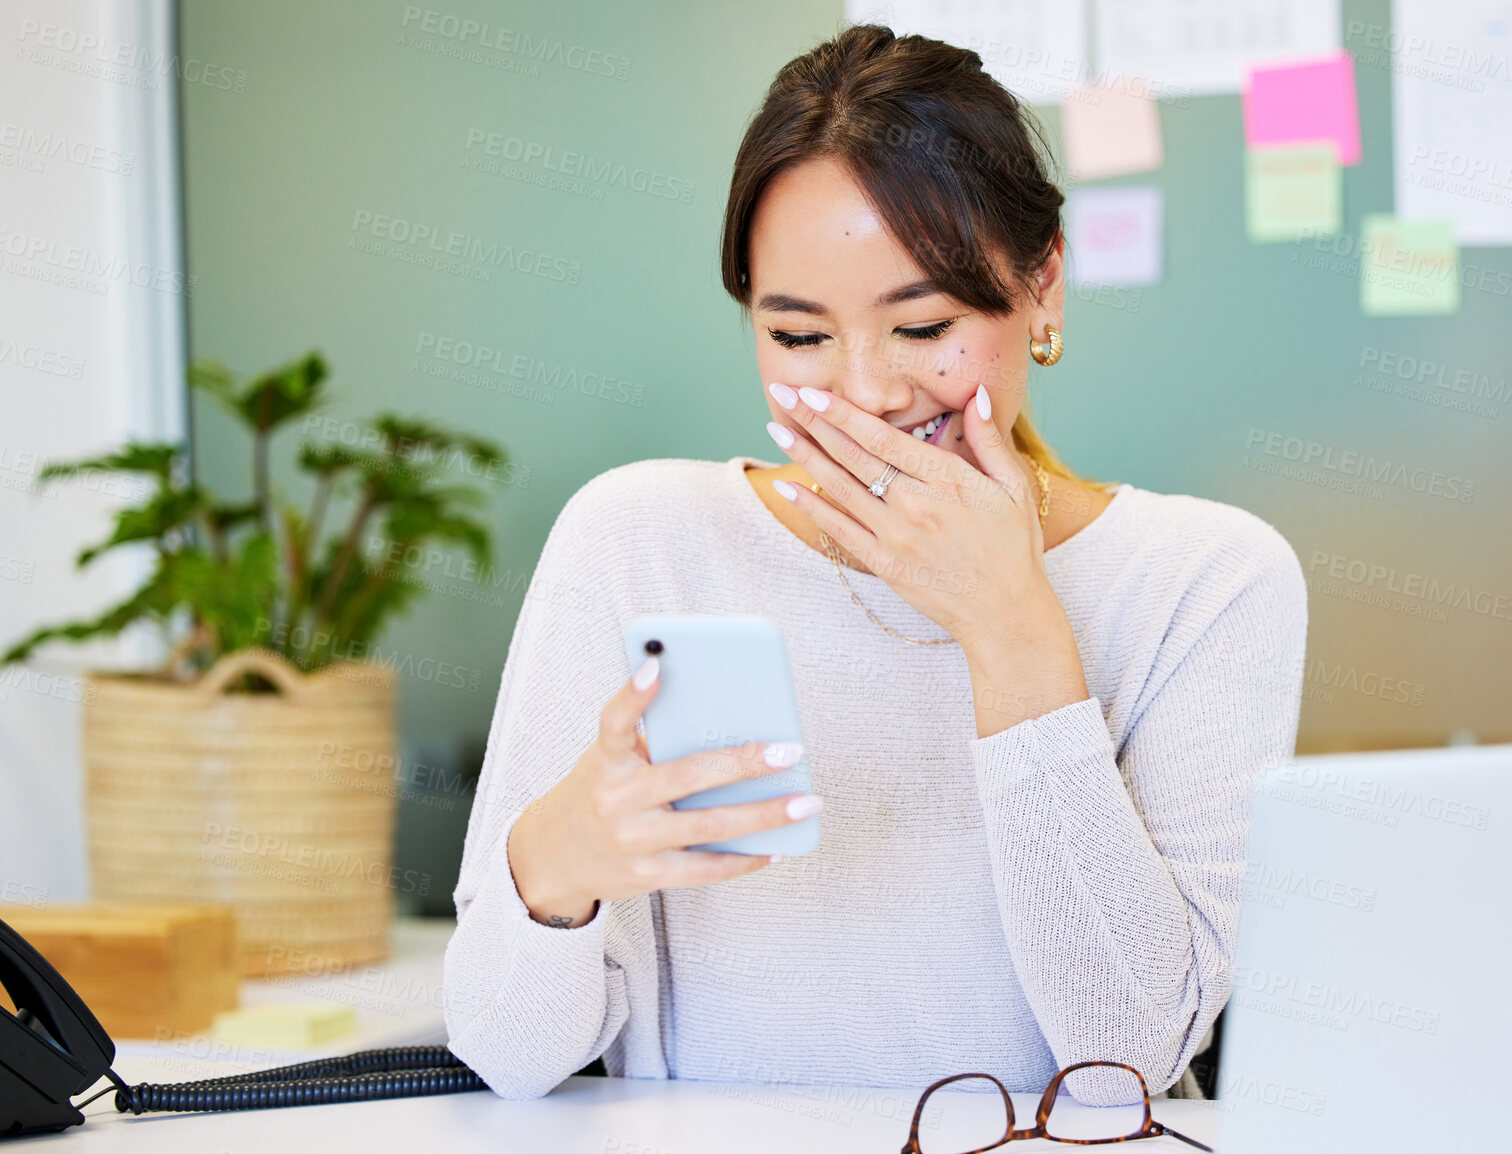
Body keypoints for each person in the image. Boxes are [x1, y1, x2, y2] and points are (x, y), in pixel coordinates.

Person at [442, 23, 1308, 1108]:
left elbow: (1122, 1064)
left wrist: (1009, 625)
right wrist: (554, 866)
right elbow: (506, 1056)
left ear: (1042, 287)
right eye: (799, 337)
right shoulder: (641, 536)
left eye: (922, 324)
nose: (866, 394)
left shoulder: (1208, 580)